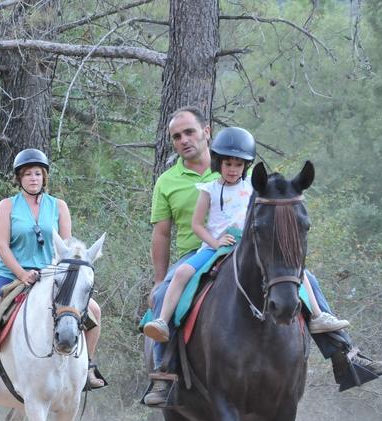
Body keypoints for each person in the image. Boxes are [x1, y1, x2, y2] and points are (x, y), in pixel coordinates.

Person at [143, 108, 382, 407]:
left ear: (206, 132)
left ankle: (345, 356)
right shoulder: (168, 181)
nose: (183, 140)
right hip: (200, 251)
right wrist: (158, 278)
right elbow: (162, 234)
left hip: (250, 249)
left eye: (189, 132)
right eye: (176, 136)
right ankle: (163, 375)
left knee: (302, 278)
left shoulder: (239, 167)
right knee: (166, 292)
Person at [143, 127, 349, 356]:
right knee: (181, 274)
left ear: (246, 166)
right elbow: (197, 225)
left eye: (238, 165)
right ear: (218, 163)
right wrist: (215, 241)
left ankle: (325, 324)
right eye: (228, 164)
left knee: (302, 274)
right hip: (216, 247)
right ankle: (162, 324)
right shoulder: (209, 189)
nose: (233, 170)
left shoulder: (254, 186)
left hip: (249, 246)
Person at [0, 148, 106, 395]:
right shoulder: (7, 206)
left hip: (50, 275)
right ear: (19, 178)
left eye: (37, 173)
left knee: (94, 311)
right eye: (27, 174)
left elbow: (66, 246)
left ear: (44, 177)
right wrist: (21, 273)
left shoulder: (59, 206)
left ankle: (87, 367)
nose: (33, 178)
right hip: (10, 273)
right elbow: (1, 245)